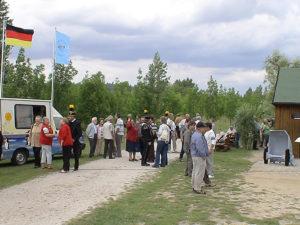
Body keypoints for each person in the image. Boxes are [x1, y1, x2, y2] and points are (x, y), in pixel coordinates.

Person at [190, 122, 209, 194]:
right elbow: (200, 147)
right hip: (199, 156)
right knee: (199, 172)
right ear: (199, 128)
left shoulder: (195, 135)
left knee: (195, 171)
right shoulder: (198, 136)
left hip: (195, 156)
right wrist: (204, 155)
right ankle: (197, 188)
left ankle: (194, 186)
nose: (204, 129)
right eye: (203, 128)